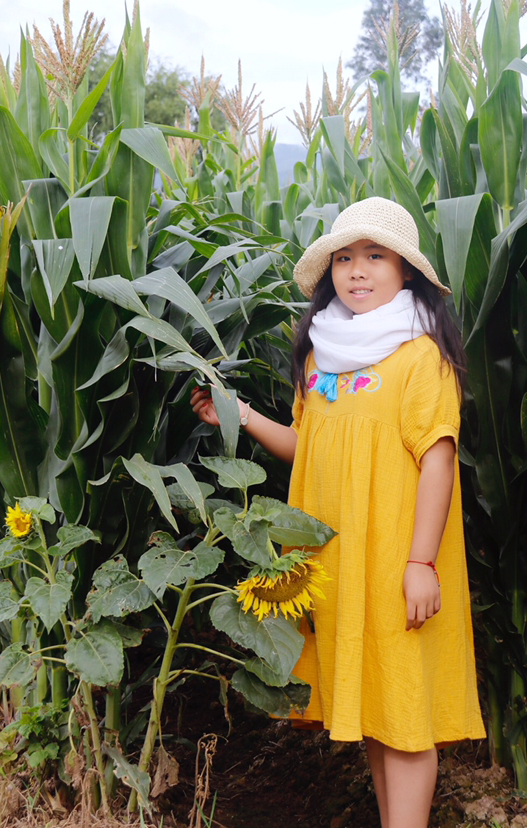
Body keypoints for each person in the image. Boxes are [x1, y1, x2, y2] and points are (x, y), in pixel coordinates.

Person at [190, 197, 485, 828]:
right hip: (339, 561)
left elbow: (438, 462)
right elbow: (309, 445)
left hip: (396, 561)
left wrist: (421, 564)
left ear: (406, 270)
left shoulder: (420, 356)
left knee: (404, 714)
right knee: (378, 712)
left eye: (375, 256)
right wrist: (242, 415)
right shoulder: (320, 355)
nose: (357, 270)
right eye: (345, 258)